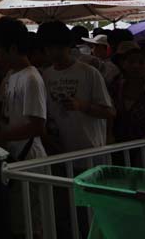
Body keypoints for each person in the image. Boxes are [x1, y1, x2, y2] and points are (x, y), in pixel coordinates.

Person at [38, 21, 114, 155]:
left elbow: (110, 112)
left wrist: (81, 105)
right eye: (48, 49)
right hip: (61, 153)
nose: (52, 53)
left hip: (91, 151)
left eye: (58, 48)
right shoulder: (46, 75)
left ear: (68, 46)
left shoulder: (89, 73)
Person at [0, 18, 48, 161]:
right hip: (17, 155)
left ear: (13, 49)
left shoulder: (31, 78)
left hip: (31, 160)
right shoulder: (12, 75)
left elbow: (37, 127)